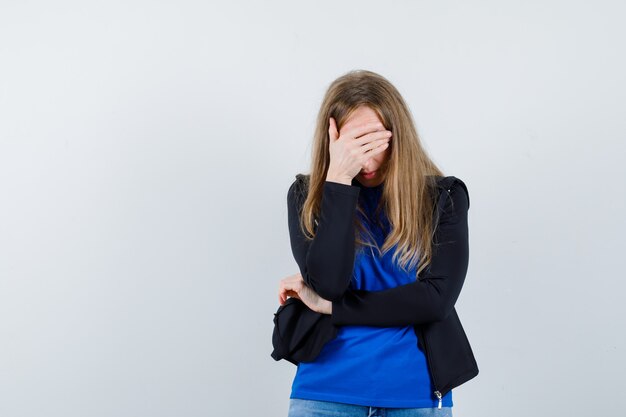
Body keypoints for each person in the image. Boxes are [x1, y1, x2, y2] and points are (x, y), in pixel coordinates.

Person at [277, 70, 478, 417]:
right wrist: (338, 180)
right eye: (354, 145)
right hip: (324, 393)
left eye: (374, 144)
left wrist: (333, 308)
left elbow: (434, 300)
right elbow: (328, 283)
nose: (365, 161)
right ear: (333, 140)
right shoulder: (307, 196)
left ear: (397, 136)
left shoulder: (443, 197)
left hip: (414, 396)